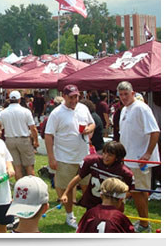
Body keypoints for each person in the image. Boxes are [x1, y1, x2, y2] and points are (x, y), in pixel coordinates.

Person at [44, 84, 95, 229]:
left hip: (84, 157)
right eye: (71, 97)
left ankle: (90, 214)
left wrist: (88, 129)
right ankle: (69, 216)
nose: (74, 100)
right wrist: (51, 158)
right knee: (64, 188)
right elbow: (48, 136)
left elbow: (92, 124)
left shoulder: (83, 108)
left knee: (88, 187)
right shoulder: (56, 113)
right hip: (64, 158)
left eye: (77, 96)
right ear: (64, 96)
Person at [117, 81, 160, 233]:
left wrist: (148, 154)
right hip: (127, 160)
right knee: (131, 192)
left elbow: (155, 132)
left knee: (140, 192)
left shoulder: (142, 108)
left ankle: (145, 225)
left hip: (139, 161)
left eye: (126, 94)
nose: (123, 97)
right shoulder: (124, 109)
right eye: (121, 95)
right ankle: (137, 222)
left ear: (133, 93)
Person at [60, 141, 134, 210]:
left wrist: (115, 198)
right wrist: (65, 193)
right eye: (104, 153)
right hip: (93, 201)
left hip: (112, 205)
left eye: (110, 155)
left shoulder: (124, 172)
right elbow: (79, 177)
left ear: (117, 158)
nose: (105, 157)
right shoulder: (93, 161)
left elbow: (131, 190)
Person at [0, 90, 39, 181]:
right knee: (29, 165)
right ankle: (31, 187)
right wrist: (36, 141)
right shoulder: (25, 111)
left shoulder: (3, 113)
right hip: (23, 139)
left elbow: (0, 128)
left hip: (10, 140)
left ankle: (20, 188)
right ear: (19, 99)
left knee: (17, 167)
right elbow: (33, 128)